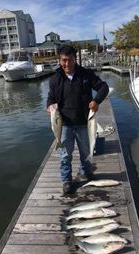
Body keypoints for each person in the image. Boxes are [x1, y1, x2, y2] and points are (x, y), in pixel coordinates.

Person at [47, 45, 109, 194]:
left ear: (75, 59)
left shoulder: (86, 74)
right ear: (60, 60)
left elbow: (103, 87)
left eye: (69, 60)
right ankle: (66, 179)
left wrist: (96, 101)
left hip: (83, 123)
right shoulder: (55, 79)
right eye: (63, 60)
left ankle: (86, 171)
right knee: (65, 156)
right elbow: (51, 97)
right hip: (64, 125)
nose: (66, 64)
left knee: (86, 152)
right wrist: (49, 105)